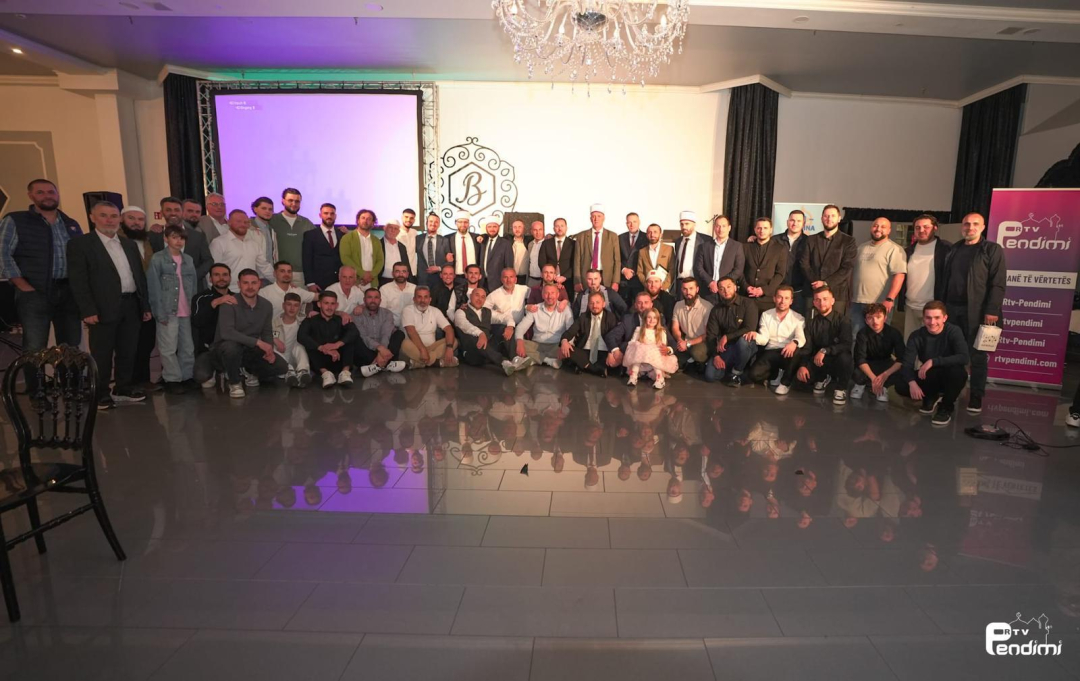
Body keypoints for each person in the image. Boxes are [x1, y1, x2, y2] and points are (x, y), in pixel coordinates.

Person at [67, 201, 152, 409]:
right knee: (102, 353)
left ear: (119, 219)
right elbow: (78, 281)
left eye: (113, 216)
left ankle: (122, 388)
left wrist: (145, 306)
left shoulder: (128, 244)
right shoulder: (81, 244)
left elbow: (139, 277)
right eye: (103, 215)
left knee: (128, 350)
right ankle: (100, 392)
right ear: (92, 217)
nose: (109, 220)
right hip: (102, 308)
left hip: (131, 304)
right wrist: (87, 310)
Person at [0, 179, 84, 361]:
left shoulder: (70, 223)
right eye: (40, 192)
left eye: (51, 192)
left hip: (68, 292)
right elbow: (3, 253)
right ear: (30, 196)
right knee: (35, 348)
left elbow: (81, 257)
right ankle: (36, 381)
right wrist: (22, 284)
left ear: (57, 195)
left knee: (70, 347)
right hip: (34, 292)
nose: (47, 196)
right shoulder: (16, 220)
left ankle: (69, 380)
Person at [938, 212, 1006, 415]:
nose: (970, 227)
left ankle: (976, 396)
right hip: (952, 309)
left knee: (977, 356)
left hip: (979, 312)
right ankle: (949, 393)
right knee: (952, 353)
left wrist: (992, 310)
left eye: (975, 224)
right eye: (966, 224)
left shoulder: (992, 249)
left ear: (983, 227)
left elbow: (998, 282)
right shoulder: (954, 249)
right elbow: (945, 280)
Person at [208, 268, 288, 398]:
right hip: (225, 348)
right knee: (231, 347)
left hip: (250, 349)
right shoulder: (229, 302)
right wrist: (258, 343)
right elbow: (227, 333)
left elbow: (267, 331)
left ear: (259, 284)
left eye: (253, 283)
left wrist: (269, 349)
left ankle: (248, 371)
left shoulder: (266, 305)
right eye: (245, 283)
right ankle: (234, 382)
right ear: (239, 284)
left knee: (281, 367)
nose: (250, 287)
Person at [900, 301, 970, 426]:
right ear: (923, 318)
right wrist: (912, 383)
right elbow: (907, 364)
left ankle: (946, 407)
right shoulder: (916, 336)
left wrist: (934, 361)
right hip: (930, 375)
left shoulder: (953, 331)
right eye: (928, 318)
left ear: (945, 318)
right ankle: (930, 397)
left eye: (937, 317)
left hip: (949, 373)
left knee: (959, 374)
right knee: (901, 385)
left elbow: (964, 357)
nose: (932, 322)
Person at [146, 224, 196, 394]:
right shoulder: (158, 259)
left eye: (181, 238)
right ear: (166, 238)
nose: (178, 241)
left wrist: (193, 308)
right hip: (168, 310)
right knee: (168, 348)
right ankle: (172, 379)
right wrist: (159, 312)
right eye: (174, 237)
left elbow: (193, 286)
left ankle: (187, 376)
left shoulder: (188, 259)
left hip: (186, 310)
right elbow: (154, 287)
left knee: (187, 346)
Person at [121, 205, 159, 389]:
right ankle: (126, 383)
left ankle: (143, 380)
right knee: (128, 343)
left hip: (148, 298)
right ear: (122, 220)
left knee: (146, 341)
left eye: (140, 219)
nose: (136, 223)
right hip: (127, 298)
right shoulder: (117, 241)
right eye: (131, 218)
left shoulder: (147, 241)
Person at [795, 286, 853, 405]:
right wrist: (803, 366)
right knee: (801, 381)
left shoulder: (843, 320)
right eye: (818, 300)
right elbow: (807, 348)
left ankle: (841, 388)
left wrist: (825, 350)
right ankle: (823, 378)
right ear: (814, 303)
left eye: (825, 299)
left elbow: (846, 344)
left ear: (832, 301)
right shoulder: (811, 323)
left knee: (846, 358)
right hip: (819, 361)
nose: (821, 303)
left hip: (837, 359)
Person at [850, 217, 907, 335]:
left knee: (878, 338)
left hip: (879, 303)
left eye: (883, 227)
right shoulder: (861, 247)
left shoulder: (894, 249)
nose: (878, 229)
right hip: (857, 302)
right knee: (856, 337)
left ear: (889, 230)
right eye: (875, 226)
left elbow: (899, 275)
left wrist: (890, 299)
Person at [746, 285, 806, 395]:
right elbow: (764, 339)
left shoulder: (798, 318)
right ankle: (777, 373)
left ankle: (785, 383)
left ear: (791, 301)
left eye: (786, 298)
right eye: (780, 297)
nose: (782, 301)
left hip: (787, 352)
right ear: (774, 298)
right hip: (771, 351)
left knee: (796, 350)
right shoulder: (766, 315)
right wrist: (755, 335)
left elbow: (801, 338)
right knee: (753, 375)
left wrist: (794, 342)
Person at [800, 204, 857, 316]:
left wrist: (825, 283)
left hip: (837, 293)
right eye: (826, 216)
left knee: (835, 325)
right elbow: (804, 264)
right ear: (821, 218)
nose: (829, 219)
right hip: (812, 291)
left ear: (839, 218)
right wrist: (816, 282)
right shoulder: (811, 239)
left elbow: (847, 267)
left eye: (833, 216)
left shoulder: (848, 241)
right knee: (811, 324)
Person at [900, 214, 950, 341]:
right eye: (918, 227)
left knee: (931, 345)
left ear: (935, 228)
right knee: (910, 343)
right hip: (910, 307)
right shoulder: (908, 251)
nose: (921, 230)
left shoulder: (947, 249)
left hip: (934, 309)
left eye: (926, 227)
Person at [298, 290, 359, 389]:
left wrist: (337, 345)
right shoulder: (310, 321)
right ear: (319, 304)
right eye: (326, 303)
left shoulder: (341, 319)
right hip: (320, 361)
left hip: (339, 359)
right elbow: (301, 336)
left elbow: (354, 332)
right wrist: (322, 348)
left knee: (349, 340)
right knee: (310, 343)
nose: (329, 307)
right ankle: (326, 374)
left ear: (336, 305)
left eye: (332, 304)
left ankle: (345, 373)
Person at [703, 277, 758, 386]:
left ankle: (736, 372)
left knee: (743, 342)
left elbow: (749, 327)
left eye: (728, 287)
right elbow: (711, 335)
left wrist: (727, 337)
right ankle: (732, 367)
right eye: (722, 289)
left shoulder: (748, 303)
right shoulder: (716, 310)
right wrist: (716, 356)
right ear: (718, 291)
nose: (726, 291)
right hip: (728, 347)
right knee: (710, 376)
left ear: (735, 288)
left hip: (747, 345)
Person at [149, 197, 213, 287]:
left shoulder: (198, 236)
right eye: (168, 210)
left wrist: (193, 276)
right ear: (162, 213)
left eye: (177, 210)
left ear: (182, 212)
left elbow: (208, 261)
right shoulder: (153, 235)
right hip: (163, 289)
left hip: (192, 288)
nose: (173, 213)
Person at [511, 282, 574, 372]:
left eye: (552, 293)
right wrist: (520, 342)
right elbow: (520, 328)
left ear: (557, 295)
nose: (549, 296)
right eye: (546, 293)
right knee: (515, 342)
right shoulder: (535, 308)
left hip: (556, 345)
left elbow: (571, 329)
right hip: (537, 345)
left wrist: (567, 344)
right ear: (542, 295)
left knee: (570, 350)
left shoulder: (566, 309)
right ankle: (547, 360)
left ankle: (534, 359)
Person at [852, 303, 906, 402]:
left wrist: (885, 375)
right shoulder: (862, 333)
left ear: (885, 318)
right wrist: (874, 378)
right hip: (867, 364)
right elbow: (860, 358)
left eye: (878, 317)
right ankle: (860, 384)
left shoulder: (894, 333)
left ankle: (883, 386)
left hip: (885, 363)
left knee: (902, 370)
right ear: (866, 321)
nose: (875, 321)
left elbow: (901, 358)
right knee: (854, 368)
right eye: (870, 318)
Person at [209, 209, 274, 290]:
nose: (243, 224)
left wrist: (279, 282)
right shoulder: (219, 243)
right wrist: (216, 293)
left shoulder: (254, 244)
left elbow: (264, 267)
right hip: (228, 291)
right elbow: (212, 271)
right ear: (229, 222)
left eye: (245, 222)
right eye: (238, 221)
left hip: (251, 291)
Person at [560, 291, 619, 375]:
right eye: (592, 303)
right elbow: (570, 331)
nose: (594, 306)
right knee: (567, 349)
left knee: (616, 359)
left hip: (603, 351)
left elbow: (615, 338)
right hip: (585, 350)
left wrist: (611, 352)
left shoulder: (610, 317)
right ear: (588, 305)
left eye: (597, 302)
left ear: (603, 304)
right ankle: (596, 369)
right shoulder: (583, 317)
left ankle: (583, 366)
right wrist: (564, 341)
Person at [353, 287, 407, 376]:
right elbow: (363, 336)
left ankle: (376, 365)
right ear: (364, 300)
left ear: (380, 300)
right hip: (367, 349)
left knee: (399, 334)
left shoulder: (387, 313)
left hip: (385, 347)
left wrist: (382, 350)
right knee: (356, 339)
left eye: (376, 297)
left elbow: (386, 334)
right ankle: (387, 364)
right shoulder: (357, 315)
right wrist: (379, 348)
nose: (373, 300)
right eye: (369, 297)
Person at [401, 286, 458, 369]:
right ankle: (437, 362)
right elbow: (411, 331)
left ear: (430, 299)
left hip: (432, 347)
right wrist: (422, 350)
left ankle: (419, 363)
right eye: (419, 297)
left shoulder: (435, 311)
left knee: (454, 341)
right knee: (405, 344)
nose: (422, 300)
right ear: (414, 299)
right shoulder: (407, 310)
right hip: (415, 347)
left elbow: (449, 329)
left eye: (425, 297)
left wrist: (449, 348)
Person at [268, 188, 316, 287]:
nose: (294, 204)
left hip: (300, 274)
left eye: (297, 201)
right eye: (290, 200)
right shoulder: (272, 220)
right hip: (278, 273)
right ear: (283, 201)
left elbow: (320, 238)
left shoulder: (306, 223)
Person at [454, 287, 511, 368]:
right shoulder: (460, 311)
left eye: (483, 297)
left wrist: (510, 326)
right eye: (477, 295)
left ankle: (515, 359)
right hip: (472, 352)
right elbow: (464, 324)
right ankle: (503, 362)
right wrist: (480, 333)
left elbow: (505, 318)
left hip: (488, 348)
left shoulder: (487, 312)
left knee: (504, 328)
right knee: (476, 340)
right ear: (470, 296)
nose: (479, 299)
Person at [604, 291, 658, 374]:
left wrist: (668, 350)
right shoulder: (628, 319)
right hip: (632, 352)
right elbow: (611, 336)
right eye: (639, 303)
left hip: (652, 354)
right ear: (635, 305)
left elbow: (671, 341)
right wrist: (614, 351)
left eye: (646, 302)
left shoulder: (658, 319)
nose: (643, 306)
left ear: (651, 305)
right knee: (612, 361)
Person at [694, 214, 745, 304]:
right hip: (708, 291)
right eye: (718, 226)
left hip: (727, 292)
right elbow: (698, 267)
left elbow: (738, 269)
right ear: (714, 228)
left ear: (729, 228)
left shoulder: (737, 246)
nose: (720, 229)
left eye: (724, 226)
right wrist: (710, 282)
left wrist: (722, 284)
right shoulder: (704, 246)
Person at [624, 307, 679, 389]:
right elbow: (632, 342)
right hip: (641, 358)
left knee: (656, 349)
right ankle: (633, 377)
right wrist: (639, 345)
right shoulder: (639, 330)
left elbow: (663, 346)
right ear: (645, 319)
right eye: (649, 317)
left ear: (658, 320)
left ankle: (660, 379)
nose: (652, 320)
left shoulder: (661, 331)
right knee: (638, 347)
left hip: (654, 360)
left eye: (654, 318)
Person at [742, 217, 788, 312]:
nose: (762, 231)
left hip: (767, 299)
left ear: (771, 230)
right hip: (746, 297)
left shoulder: (780, 249)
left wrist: (764, 290)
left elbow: (780, 274)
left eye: (765, 228)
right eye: (759, 228)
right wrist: (746, 287)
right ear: (755, 229)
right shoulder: (745, 247)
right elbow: (740, 270)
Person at [191, 263, 234, 364]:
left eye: (225, 275)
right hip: (207, 349)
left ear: (230, 278)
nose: (221, 278)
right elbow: (197, 321)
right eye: (216, 275)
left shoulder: (237, 298)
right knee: (201, 373)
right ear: (210, 279)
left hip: (233, 347)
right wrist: (215, 303)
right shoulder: (200, 298)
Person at [671, 278, 713, 373]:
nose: (688, 292)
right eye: (685, 289)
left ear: (697, 289)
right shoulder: (678, 305)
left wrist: (688, 344)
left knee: (697, 353)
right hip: (685, 340)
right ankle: (690, 360)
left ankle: (701, 361)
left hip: (702, 341)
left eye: (691, 288)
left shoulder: (707, 307)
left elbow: (708, 334)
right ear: (681, 290)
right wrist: (679, 340)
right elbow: (675, 327)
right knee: (672, 355)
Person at [573, 204, 620, 291]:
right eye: (593, 216)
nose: (596, 219)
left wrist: (616, 281)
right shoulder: (581, 236)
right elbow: (577, 261)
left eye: (599, 216)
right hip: (587, 277)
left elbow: (617, 261)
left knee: (605, 299)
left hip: (606, 277)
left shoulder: (612, 236)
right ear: (590, 218)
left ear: (604, 218)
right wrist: (577, 281)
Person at [338, 208, 383, 291]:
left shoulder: (376, 240)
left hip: (372, 282)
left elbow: (380, 260)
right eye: (363, 218)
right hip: (354, 283)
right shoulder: (347, 238)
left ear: (373, 223)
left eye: (369, 219)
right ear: (358, 220)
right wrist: (362, 274)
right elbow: (345, 258)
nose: (365, 221)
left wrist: (371, 275)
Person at [301, 202, 343, 292]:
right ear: (320, 215)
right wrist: (310, 283)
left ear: (335, 216)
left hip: (338, 282)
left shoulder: (341, 234)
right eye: (326, 213)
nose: (329, 216)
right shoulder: (310, 235)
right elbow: (307, 260)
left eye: (332, 213)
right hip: (319, 283)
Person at [273, 292, 311, 388]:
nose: (292, 308)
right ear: (283, 305)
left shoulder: (303, 322)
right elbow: (261, 337)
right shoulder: (273, 323)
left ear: (299, 307)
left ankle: (302, 371)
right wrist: (274, 339)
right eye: (289, 304)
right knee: (271, 347)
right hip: (278, 361)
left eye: (296, 305)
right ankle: (288, 371)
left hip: (294, 359)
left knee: (299, 345)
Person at [781, 209, 810, 314]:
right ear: (787, 222)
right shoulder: (775, 240)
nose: (795, 223)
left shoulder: (810, 241)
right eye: (792, 220)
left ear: (804, 223)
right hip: (778, 291)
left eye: (799, 221)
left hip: (800, 292)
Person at [538, 216, 575, 293]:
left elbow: (575, 263)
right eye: (557, 226)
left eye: (562, 226)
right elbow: (541, 261)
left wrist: (565, 277)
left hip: (567, 281)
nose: (559, 228)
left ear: (566, 228)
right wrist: (551, 275)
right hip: (549, 280)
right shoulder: (546, 243)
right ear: (553, 228)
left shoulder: (573, 244)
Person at [478, 216, 514, 291]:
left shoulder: (506, 244)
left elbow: (509, 266)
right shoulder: (482, 242)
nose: (492, 229)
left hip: (498, 284)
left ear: (499, 228)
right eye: (489, 227)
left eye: (494, 226)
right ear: (486, 228)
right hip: (482, 283)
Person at [673, 211, 707, 290]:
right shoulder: (678, 241)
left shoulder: (704, 240)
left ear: (694, 224)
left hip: (697, 283)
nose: (684, 227)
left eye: (687, 224)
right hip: (680, 284)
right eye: (681, 224)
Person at [416, 212, 450, 289]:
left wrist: (439, 268)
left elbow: (450, 261)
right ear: (426, 223)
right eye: (431, 221)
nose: (433, 224)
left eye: (436, 222)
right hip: (422, 278)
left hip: (439, 277)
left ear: (439, 224)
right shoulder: (418, 239)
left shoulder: (445, 241)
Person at [635, 223, 674, 291]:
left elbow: (672, 269)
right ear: (647, 235)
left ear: (661, 234)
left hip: (664, 289)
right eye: (650, 232)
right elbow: (639, 271)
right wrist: (647, 285)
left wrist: (664, 286)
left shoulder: (669, 249)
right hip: (648, 290)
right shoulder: (642, 251)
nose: (652, 235)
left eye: (655, 232)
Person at [618, 212, 647, 304]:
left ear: (639, 222)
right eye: (629, 222)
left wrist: (635, 271)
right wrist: (623, 269)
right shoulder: (620, 238)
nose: (632, 224)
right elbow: (616, 258)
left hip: (639, 280)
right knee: (623, 307)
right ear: (626, 223)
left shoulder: (646, 237)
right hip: (623, 281)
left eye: (634, 221)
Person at [378, 262, 416, 327]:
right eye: (397, 271)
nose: (401, 274)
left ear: (407, 274)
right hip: (391, 326)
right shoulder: (384, 289)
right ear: (392, 274)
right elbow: (381, 311)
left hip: (411, 325)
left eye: (404, 271)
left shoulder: (414, 288)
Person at [450, 210, 480, 285]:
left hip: (474, 277)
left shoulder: (476, 237)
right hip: (456, 277)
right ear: (456, 223)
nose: (463, 224)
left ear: (469, 223)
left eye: (465, 222)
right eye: (460, 222)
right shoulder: (448, 239)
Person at [379, 218, 411, 287]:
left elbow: (406, 264)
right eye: (390, 227)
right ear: (385, 228)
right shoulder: (378, 244)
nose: (393, 230)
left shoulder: (402, 247)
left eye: (396, 229)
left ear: (398, 232)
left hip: (400, 281)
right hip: (382, 281)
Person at [249, 196, 279, 265]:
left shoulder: (272, 230)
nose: (267, 211)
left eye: (270, 209)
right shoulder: (249, 228)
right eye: (264, 208)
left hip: (270, 269)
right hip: (253, 269)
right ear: (255, 209)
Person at [525, 220, 546, 288]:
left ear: (543, 230)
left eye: (540, 229)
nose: (538, 232)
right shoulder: (530, 244)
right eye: (535, 230)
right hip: (531, 279)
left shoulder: (548, 244)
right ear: (531, 231)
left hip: (544, 280)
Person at [509, 219, 531, 285]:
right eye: (515, 227)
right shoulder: (508, 241)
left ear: (524, 229)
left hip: (525, 278)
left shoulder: (529, 241)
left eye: (519, 227)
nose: (517, 229)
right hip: (511, 277)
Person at [399, 208, 419, 274]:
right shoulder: (396, 233)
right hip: (400, 271)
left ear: (414, 220)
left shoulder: (415, 232)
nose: (408, 220)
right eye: (406, 217)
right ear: (402, 218)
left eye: (411, 218)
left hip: (413, 271)